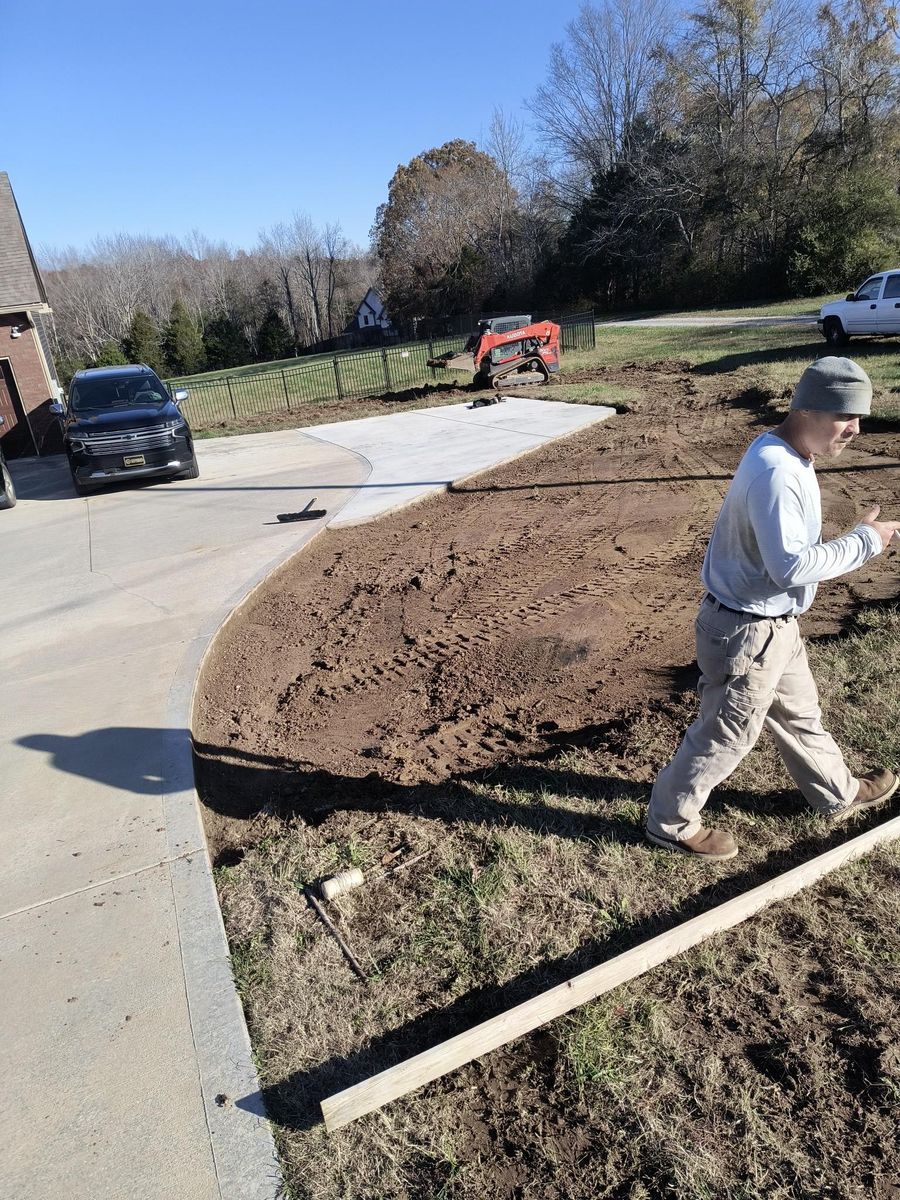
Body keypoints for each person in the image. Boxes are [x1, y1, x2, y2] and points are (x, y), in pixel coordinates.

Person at [645, 356, 900, 861]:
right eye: (845, 416)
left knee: (802, 714)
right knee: (726, 734)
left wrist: (853, 538)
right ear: (807, 410)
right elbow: (791, 567)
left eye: (860, 416)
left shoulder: (782, 448)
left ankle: (837, 791)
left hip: (773, 625)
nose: (855, 429)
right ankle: (669, 822)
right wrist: (865, 542)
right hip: (747, 633)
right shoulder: (777, 472)